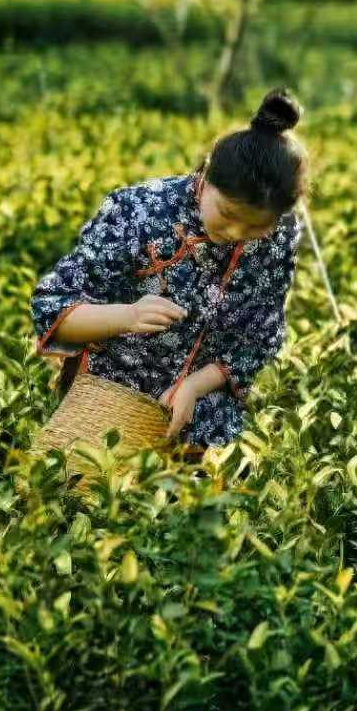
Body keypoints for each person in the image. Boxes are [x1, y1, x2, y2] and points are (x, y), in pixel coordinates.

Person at [31, 90, 307, 450]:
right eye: (226, 213)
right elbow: (52, 306)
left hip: (203, 413)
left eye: (257, 227)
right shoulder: (140, 210)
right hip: (109, 400)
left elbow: (258, 339)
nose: (237, 233)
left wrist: (193, 386)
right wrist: (126, 316)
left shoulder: (281, 234)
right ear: (206, 177)